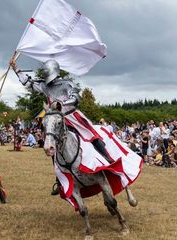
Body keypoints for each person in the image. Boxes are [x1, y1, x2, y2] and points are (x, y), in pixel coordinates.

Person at [11, 59, 139, 196]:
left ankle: (107, 159)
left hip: (73, 117)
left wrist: (63, 102)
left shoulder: (67, 84)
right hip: (57, 119)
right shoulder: (45, 86)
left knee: (93, 137)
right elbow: (29, 83)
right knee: (53, 146)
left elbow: (76, 98)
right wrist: (16, 68)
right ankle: (59, 179)